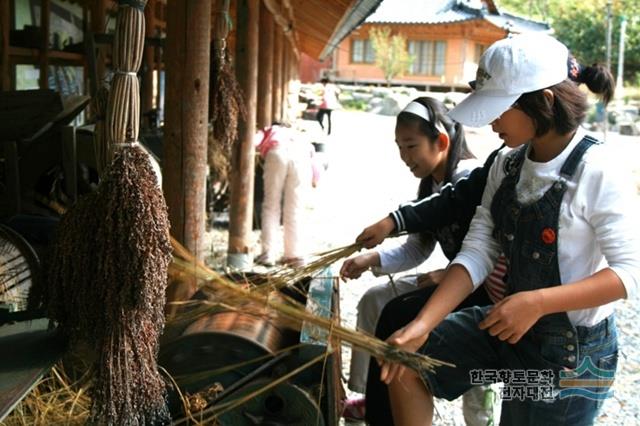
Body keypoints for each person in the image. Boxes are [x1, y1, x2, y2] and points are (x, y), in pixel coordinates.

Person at [365, 33, 640, 425]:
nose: (493, 122)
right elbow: (478, 248)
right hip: (512, 328)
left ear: (543, 101)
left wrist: (538, 302)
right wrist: (422, 325)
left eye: (499, 110)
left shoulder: (598, 170)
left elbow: (631, 273)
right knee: (407, 357)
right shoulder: (506, 165)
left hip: (572, 356)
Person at [339, 97, 504, 423]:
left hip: (479, 287)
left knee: (407, 320)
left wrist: (446, 273)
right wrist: (372, 258)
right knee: (376, 300)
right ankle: (373, 398)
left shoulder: (468, 179)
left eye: (411, 146)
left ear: (441, 141)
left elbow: (490, 247)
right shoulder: (431, 181)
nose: (404, 157)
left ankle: (477, 416)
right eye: (400, 147)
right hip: (458, 281)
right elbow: (418, 248)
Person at [254, 123, 314, 267]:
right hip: (302, 156)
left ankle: (268, 254)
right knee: (295, 208)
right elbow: (314, 162)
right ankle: (293, 255)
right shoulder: (300, 135)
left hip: (277, 153)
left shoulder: (269, 129)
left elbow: (253, 141)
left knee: (271, 206)